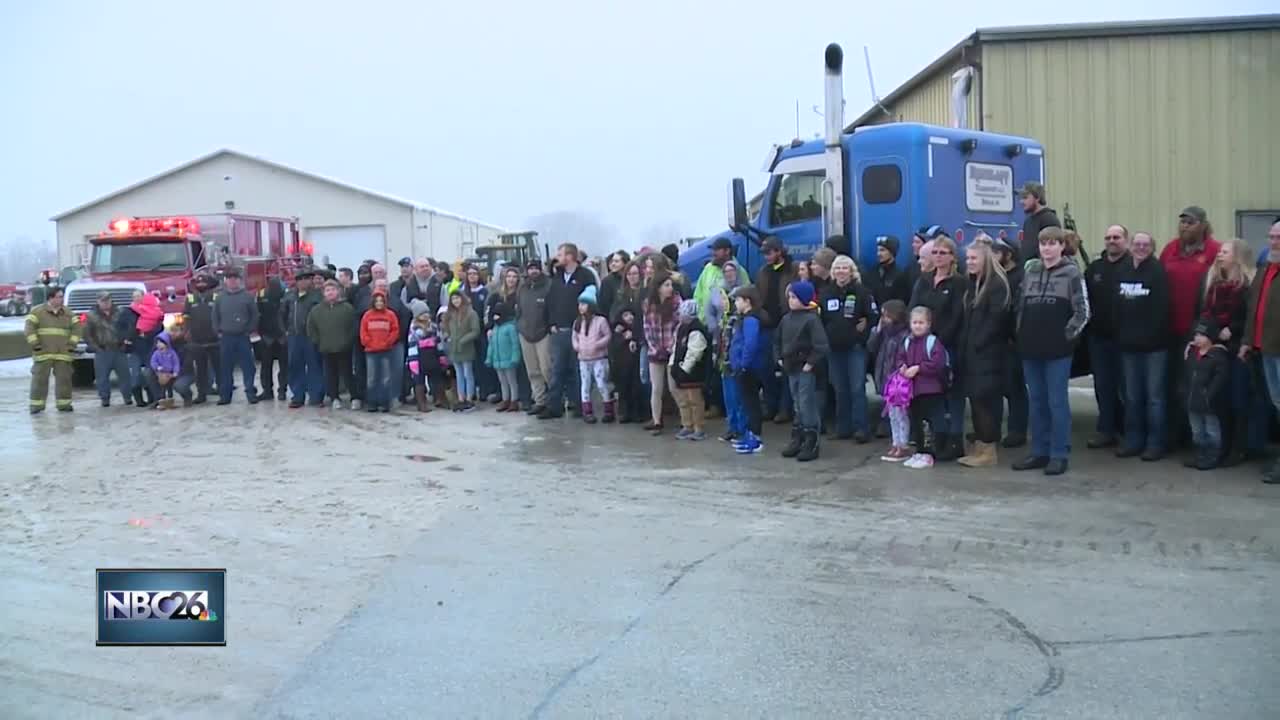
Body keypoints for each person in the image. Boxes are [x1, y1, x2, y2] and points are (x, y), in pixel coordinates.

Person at [1014, 227, 1090, 476]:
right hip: (1031, 348)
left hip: (1057, 351)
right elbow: (1020, 306)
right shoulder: (1031, 272)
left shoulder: (1072, 274)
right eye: (1043, 243)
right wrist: (1020, 332)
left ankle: (1059, 453)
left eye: (1052, 243)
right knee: (1036, 401)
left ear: (1061, 246)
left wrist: (1066, 336)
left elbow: (1083, 311)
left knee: (1057, 402)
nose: (1047, 248)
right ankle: (1039, 451)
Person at [1160, 206, 1222, 448]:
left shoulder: (1214, 251)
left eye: (1191, 222)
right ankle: (1176, 435)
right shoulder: (1170, 249)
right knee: (1171, 384)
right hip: (1169, 329)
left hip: (1198, 332)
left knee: (1195, 386)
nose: (1185, 226)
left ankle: (1203, 440)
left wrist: (1207, 330)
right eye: (1182, 222)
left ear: (1203, 225)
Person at [1195, 237, 1259, 465]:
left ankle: (1239, 448)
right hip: (1217, 349)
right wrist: (1209, 333)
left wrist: (1232, 329)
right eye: (1220, 251)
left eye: (1225, 252)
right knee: (1218, 399)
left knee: (1238, 400)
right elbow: (1205, 313)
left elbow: (1250, 318)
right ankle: (1220, 448)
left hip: (1239, 350)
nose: (1220, 255)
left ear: (1237, 256)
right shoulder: (1213, 285)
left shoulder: (1247, 287)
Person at [1111, 232, 1170, 461]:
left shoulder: (1157, 272)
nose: (1141, 248)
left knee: (1154, 397)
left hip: (1154, 348)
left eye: (1146, 244)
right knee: (1132, 397)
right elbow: (1115, 306)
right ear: (1131, 246)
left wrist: (1149, 337)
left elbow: (1162, 310)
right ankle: (1133, 440)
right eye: (1137, 244)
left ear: (1152, 248)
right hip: (1128, 347)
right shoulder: (1122, 271)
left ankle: (1156, 443)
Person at [909, 235, 968, 461]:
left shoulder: (959, 283)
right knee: (931, 395)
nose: (938, 257)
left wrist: (939, 342)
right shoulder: (923, 280)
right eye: (935, 252)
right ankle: (936, 438)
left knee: (953, 393)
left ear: (953, 256)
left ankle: (955, 439)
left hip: (948, 346)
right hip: (921, 346)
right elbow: (914, 308)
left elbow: (957, 316)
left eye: (943, 253)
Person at [957, 243, 1012, 468]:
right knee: (976, 400)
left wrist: (978, 344)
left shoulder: (997, 285)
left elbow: (996, 321)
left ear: (985, 259)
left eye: (973, 258)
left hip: (988, 354)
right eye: (967, 258)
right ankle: (980, 445)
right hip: (972, 353)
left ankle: (988, 450)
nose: (969, 262)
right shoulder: (973, 284)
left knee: (985, 401)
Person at [1239, 219, 1280, 484]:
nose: (1273, 242)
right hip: (1266, 348)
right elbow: (1255, 307)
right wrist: (1246, 340)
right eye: (1271, 237)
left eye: (1278, 238)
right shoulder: (1266, 269)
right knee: (1277, 404)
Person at [1083, 225, 1130, 448]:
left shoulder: (1134, 267)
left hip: (1127, 340)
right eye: (1108, 237)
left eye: (1117, 237)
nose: (1112, 241)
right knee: (1103, 386)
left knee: (1127, 388)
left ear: (1126, 241)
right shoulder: (1095, 269)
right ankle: (1106, 430)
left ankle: (1128, 431)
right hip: (1099, 339)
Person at [819, 255, 873, 442]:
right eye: (838, 268)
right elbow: (820, 319)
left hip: (855, 348)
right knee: (840, 388)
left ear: (851, 271)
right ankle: (843, 428)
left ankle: (861, 428)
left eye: (845, 268)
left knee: (857, 388)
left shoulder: (862, 292)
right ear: (833, 272)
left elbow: (872, 316)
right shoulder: (825, 293)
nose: (841, 271)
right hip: (833, 349)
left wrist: (862, 336)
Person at [540, 243, 597, 419]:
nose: (557, 257)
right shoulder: (557, 277)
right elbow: (550, 301)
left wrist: (585, 324)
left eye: (561, 254)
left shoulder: (586, 276)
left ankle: (580, 405)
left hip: (579, 331)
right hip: (559, 331)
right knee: (557, 371)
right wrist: (550, 323)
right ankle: (554, 407)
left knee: (578, 371)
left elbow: (592, 301)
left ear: (570, 256)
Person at [775, 281, 829, 461]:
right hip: (791, 368)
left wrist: (810, 363)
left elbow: (821, 346)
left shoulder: (811, 319)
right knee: (797, 403)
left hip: (806, 369)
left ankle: (811, 442)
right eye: (789, 297)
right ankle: (797, 438)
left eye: (794, 297)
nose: (790, 300)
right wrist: (779, 358)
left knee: (807, 404)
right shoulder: (786, 319)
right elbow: (777, 340)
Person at [896, 306, 949, 468]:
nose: (917, 326)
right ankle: (919, 450)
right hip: (913, 390)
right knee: (917, 421)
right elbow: (900, 358)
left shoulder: (933, 342)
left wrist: (919, 368)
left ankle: (929, 453)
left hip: (930, 389)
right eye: (914, 322)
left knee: (928, 422)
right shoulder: (907, 341)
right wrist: (902, 367)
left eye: (921, 322)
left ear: (928, 324)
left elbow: (937, 364)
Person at [756, 236, 797, 423]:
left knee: (788, 367)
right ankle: (770, 404)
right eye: (764, 253)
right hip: (767, 325)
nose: (766, 256)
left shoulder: (793, 270)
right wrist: (762, 315)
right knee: (765, 367)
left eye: (769, 252)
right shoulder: (763, 272)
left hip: (787, 325)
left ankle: (785, 409)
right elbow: (757, 297)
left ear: (779, 251)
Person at [993, 237, 1029, 448]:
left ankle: (1018, 430)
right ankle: (992, 428)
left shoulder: (1020, 277)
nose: (993, 256)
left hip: (1012, 342)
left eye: (997, 252)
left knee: (1015, 387)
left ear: (1009, 254)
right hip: (996, 340)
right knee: (995, 387)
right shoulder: (997, 276)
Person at [728, 287, 771, 454]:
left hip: (749, 368)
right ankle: (750, 435)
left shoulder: (751, 320)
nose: (736, 303)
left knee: (751, 403)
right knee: (748, 402)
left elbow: (750, 344)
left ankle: (755, 438)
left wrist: (743, 364)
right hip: (746, 366)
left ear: (747, 301)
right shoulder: (746, 318)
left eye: (738, 300)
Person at [25, 286, 79, 414]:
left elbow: (77, 329)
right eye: (59, 297)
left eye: (62, 297)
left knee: (64, 380)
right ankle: (36, 406)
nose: (61, 299)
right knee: (39, 380)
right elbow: (29, 328)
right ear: (51, 298)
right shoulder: (37, 312)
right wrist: (35, 344)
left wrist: (72, 344)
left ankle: (64, 405)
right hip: (43, 352)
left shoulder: (68, 313)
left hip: (63, 353)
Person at [868, 300, 911, 461]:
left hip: (898, 380)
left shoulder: (905, 335)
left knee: (901, 414)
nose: (884, 318)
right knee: (892, 414)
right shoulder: (884, 333)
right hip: (886, 376)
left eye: (886, 315)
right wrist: (877, 330)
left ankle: (903, 444)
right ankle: (895, 442)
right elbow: (871, 346)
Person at [1184, 320, 1229, 471]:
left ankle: (1212, 456)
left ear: (1210, 338)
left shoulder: (1218, 356)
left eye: (1202, 335)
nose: (1197, 338)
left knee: (1212, 430)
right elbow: (1186, 376)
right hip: (1192, 400)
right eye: (1196, 335)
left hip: (1209, 403)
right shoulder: (1191, 353)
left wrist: (1208, 396)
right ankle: (1200, 454)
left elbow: (1219, 380)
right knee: (1197, 431)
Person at [307, 279, 357, 410]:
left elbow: (354, 327)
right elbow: (311, 328)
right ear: (323, 293)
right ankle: (334, 398)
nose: (330, 292)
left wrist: (348, 341)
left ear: (338, 291)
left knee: (347, 374)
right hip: (326, 348)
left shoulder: (347, 308)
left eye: (333, 290)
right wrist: (318, 341)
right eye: (327, 290)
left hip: (344, 348)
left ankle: (355, 397)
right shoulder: (316, 310)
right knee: (330, 375)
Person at [213, 268, 260, 405]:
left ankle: (250, 392)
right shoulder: (220, 297)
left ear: (240, 280)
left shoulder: (247, 296)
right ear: (225, 281)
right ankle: (225, 396)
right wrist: (218, 330)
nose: (232, 281)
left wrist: (249, 329)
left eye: (235, 278)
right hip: (226, 338)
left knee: (248, 367)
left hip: (242, 337)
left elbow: (254, 315)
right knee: (226, 368)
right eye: (229, 279)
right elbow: (215, 316)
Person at [643, 273, 681, 434]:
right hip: (655, 350)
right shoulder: (648, 304)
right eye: (666, 285)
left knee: (674, 387)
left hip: (672, 349)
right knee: (656, 387)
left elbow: (680, 325)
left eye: (671, 285)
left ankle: (686, 420)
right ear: (658, 288)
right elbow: (647, 327)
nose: (670, 288)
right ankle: (657, 420)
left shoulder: (677, 303)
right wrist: (653, 347)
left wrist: (673, 345)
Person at [669, 299, 711, 440]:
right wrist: (674, 365)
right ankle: (687, 425)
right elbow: (676, 347)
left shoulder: (697, 330)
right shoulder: (681, 328)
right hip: (680, 371)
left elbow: (695, 352)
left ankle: (698, 428)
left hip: (693, 373)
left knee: (695, 401)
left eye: (682, 313)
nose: (680, 316)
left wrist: (685, 370)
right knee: (683, 400)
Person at [283, 269, 324, 408]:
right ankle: (297, 396)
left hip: (311, 337)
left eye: (307, 278)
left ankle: (316, 396)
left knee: (314, 366)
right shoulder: (289, 296)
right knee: (295, 366)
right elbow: (282, 315)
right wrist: (285, 331)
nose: (304, 281)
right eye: (300, 279)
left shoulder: (318, 296)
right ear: (296, 281)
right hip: (294, 336)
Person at [572, 285, 613, 424]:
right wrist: (577, 347)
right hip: (583, 358)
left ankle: (608, 409)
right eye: (579, 304)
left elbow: (607, 335)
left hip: (599, 358)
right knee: (585, 384)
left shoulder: (600, 321)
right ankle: (587, 411)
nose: (581, 307)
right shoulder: (577, 322)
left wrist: (598, 344)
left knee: (601, 383)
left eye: (583, 304)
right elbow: (574, 337)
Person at [517, 260, 554, 415]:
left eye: (536, 268)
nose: (533, 271)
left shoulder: (549, 286)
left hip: (544, 333)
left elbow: (553, 309)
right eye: (530, 268)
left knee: (547, 369)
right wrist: (520, 326)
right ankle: (540, 401)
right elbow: (518, 309)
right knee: (532, 371)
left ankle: (554, 400)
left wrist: (549, 327)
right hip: (525, 334)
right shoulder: (523, 288)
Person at [84, 292, 133, 407]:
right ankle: (105, 399)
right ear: (98, 302)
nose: (105, 303)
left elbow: (129, 327)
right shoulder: (91, 316)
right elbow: (87, 334)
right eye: (102, 300)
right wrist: (96, 348)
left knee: (125, 376)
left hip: (119, 349)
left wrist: (125, 342)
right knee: (102, 378)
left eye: (107, 300)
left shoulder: (120, 313)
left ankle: (128, 398)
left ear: (111, 301)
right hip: (102, 350)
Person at [360, 290, 400, 413]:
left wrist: (388, 342)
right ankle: (372, 403)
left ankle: (384, 403)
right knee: (371, 378)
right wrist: (368, 342)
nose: (379, 303)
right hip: (371, 351)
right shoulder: (367, 315)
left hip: (386, 350)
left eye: (381, 301)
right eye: (376, 301)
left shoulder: (390, 315)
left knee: (385, 378)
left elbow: (395, 330)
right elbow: (363, 332)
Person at [182, 273, 220, 404]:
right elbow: (186, 317)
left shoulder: (216, 297)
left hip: (214, 339)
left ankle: (223, 392)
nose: (200, 285)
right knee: (200, 370)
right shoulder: (190, 298)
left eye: (203, 283)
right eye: (198, 283)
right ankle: (201, 394)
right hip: (197, 340)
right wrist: (186, 332)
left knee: (219, 368)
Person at [443, 290, 481, 412]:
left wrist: (463, 340)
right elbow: (446, 329)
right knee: (459, 374)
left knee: (467, 373)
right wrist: (448, 337)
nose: (456, 301)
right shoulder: (450, 314)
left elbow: (475, 330)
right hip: (454, 348)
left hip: (466, 347)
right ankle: (461, 398)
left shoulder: (471, 313)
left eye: (457, 298)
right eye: (453, 299)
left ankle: (470, 398)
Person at [485, 299, 523, 412]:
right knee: (503, 382)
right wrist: (489, 358)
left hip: (509, 360)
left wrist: (515, 357)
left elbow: (515, 344)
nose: (496, 318)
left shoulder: (510, 328)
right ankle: (505, 399)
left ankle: (514, 400)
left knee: (512, 381)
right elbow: (491, 345)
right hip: (498, 360)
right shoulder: (495, 329)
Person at [407, 302, 445, 411]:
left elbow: (438, 341)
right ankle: (421, 402)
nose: (425, 315)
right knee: (419, 381)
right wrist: (413, 362)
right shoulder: (414, 329)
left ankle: (440, 399)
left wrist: (442, 357)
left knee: (436, 377)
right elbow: (412, 345)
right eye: (422, 313)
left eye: (426, 313)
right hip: (419, 357)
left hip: (432, 355)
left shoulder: (433, 326)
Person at [610, 306, 644, 424]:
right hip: (622, 367)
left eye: (631, 314)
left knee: (636, 389)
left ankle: (637, 413)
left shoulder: (638, 328)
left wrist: (633, 336)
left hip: (635, 365)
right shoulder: (617, 331)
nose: (629, 317)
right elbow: (614, 346)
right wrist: (623, 337)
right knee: (623, 390)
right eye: (625, 315)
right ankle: (625, 413)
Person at [256, 276, 289, 401]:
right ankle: (267, 391)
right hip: (267, 336)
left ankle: (282, 391)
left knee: (284, 367)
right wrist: (261, 333)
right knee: (265, 366)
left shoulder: (286, 295)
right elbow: (258, 315)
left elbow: (288, 315)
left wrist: (286, 333)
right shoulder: (262, 295)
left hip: (282, 336)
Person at [866, 235, 912, 312]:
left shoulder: (900, 275)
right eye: (878, 250)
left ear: (892, 252)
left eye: (882, 250)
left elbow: (902, 302)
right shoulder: (872, 272)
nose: (879, 254)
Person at [1017, 182, 1061, 262]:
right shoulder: (1028, 221)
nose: (1021, 202)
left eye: (1025, 197)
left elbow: (1052, 250)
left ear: (1037, 198)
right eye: (1021, 198)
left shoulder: (1049, 219)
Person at [147, 332, 184, 409]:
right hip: (161, 373)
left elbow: (176, 363)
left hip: (170, 373)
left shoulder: (172, 352)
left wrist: (175, 371)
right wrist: (157, 368)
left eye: (161, 342)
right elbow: (153, 362)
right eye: (157, 343)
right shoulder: (156, 353)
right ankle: (161, 400)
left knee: (169, 387)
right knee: (162, 387)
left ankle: (170, 400)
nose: (159, 344)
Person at [598, 250, 631, 320]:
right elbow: (603, 306)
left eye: (616, 261)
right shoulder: (607, 281)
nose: (613, 264)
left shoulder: (630, 278)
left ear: (625, 263)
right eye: (612, 261)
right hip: (613, 321)